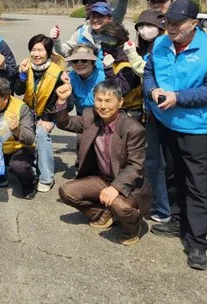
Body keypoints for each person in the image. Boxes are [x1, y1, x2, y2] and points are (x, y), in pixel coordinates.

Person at [143, 0, 207, 271]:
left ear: (194, 22)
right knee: (172, 175)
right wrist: (153, 91)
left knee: (198, 186)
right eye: (167, 21)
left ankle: (197, 242)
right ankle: (177, 220)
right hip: (164, 123)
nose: (170, 27)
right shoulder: (159, 44)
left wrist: (178, 98)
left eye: (177, 23)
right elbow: (148, 73)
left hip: (196, 128)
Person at [54, 79, 151, 246]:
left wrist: (115, 188)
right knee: (67, 191)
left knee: (121, 207)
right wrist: (62, 100)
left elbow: (136, 166)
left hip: (129, 185)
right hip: (102, 178)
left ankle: (133, 228)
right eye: (99, 100)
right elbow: (65, 122)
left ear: (120, 102)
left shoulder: (133, 129)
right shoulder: (90, 116)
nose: (102, 106)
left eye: (108, 101)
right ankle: (103, 213)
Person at [123, 8, 170, 223]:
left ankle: (164, 207)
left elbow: (145, 70)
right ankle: (157, 203)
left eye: (149, 26)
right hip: (148, 112)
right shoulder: (147, 47)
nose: (144, 30)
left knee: (159, 161)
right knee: (151, 160)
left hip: (164, 112)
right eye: (140, 26)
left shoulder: (163, 48)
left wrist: (131, 55)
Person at [14, 34, 66, 192]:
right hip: (28, 112)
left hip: (49, 113)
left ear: (49, 52)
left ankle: (46, 177)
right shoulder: (25, 66)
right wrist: (22, 75)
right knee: (23, 134)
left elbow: (54, 98)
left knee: (42, 134)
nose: (36, 54)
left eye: (41, 50)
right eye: (33, 50)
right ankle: (29, 168)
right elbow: (18, 90)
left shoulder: (58, 73)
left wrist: (46, 119)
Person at [0, 77, 37, 199]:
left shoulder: (21, 108)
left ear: (5, 97)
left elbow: (30, 139)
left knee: (19, 166)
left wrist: (16, 131)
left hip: (18, 148)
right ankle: (0, 178)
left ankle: (30, 184)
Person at [98, 22, 143, 120]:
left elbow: (121, 89)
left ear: (120, 41)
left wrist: (109, 69)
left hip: (128, 111)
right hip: (117, 108)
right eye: (102, 39)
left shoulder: (126, 61)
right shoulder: (114, 56)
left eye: (109, 40)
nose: (103, 43)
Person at [64, 45, 106, 114]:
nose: (79, 63)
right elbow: (68, 107)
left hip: (101, 115)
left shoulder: (103, 78)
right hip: (81, 115)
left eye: (84, 60)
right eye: (75, 61)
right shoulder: (69, 78)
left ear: (92, 63)